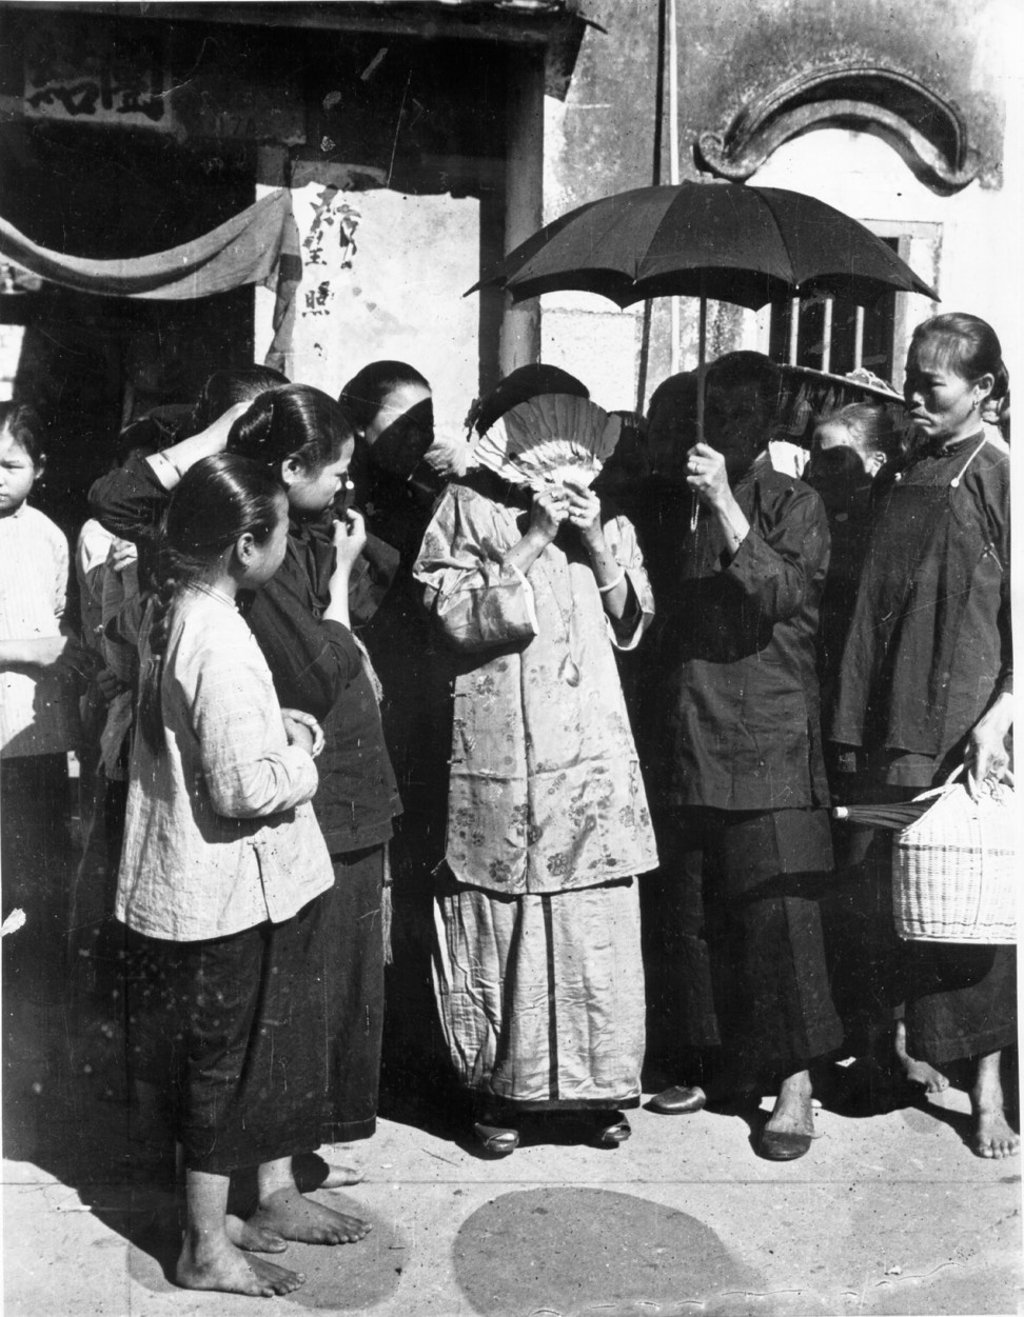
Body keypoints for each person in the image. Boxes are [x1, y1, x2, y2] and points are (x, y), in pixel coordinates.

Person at [91, 383, 400, 1176]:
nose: (343, 487)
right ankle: (245, 1199)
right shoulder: (227, 590)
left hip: (312, 788)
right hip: (283, 793)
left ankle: (276, 1182)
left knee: (288, 1014)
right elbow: (116, 501)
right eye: (329, 472)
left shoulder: (283, 540)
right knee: (255, 1027)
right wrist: (333, 598)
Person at [118, 454, 367, 1299]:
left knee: (240, 1055)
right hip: (224, 891)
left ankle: (259, 1202)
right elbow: (244, 786)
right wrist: (301, 753)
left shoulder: (180, 609)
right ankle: (204, 1244)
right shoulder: (218, 634)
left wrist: (271, 723)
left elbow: (207, 736)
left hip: (220, 886)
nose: (290, 543)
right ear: (247, 543)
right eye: (284, 531)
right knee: (221, 1064)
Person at [413, 371, 658, 1155]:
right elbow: (450, 615)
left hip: (588, 749)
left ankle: (594, 1093)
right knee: (503, 918)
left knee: (591, 919)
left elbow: (633, 619)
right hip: (500, 748)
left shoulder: (607, 516)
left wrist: (590, 539)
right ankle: (497, 1094)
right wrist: (532, 539)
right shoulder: (465, 507)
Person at [644, 351, 842, 1161]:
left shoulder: (796, 502)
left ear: (764, 423)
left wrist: (725, 503)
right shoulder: (674, 501)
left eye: (735, 412)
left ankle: (796, 1082)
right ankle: (713, 1062)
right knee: (692, 910)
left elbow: (779, 595)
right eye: (708, 411)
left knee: (777, 910)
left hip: (765, 725)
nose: (719, 425)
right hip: (692, 727)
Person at [830, 313, 1016, 1158]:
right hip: (883, 710)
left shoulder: (1000, 475)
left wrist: (1001, 714)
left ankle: (984, 1089)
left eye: (931, 384)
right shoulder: (910, 462)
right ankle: (896, 1048)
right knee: (885, 898)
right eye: (908, 377)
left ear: (982, 389)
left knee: (965, 913)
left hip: (958, 722)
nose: (912, 395)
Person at [0, 403, 97, 1004]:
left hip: (36, 735)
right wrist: (32, 650)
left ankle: (31, 998)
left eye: (9, 464)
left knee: (37, 876)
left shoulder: (49, 536)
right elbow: (46, 642)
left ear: (39, 467)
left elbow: (59, 619)